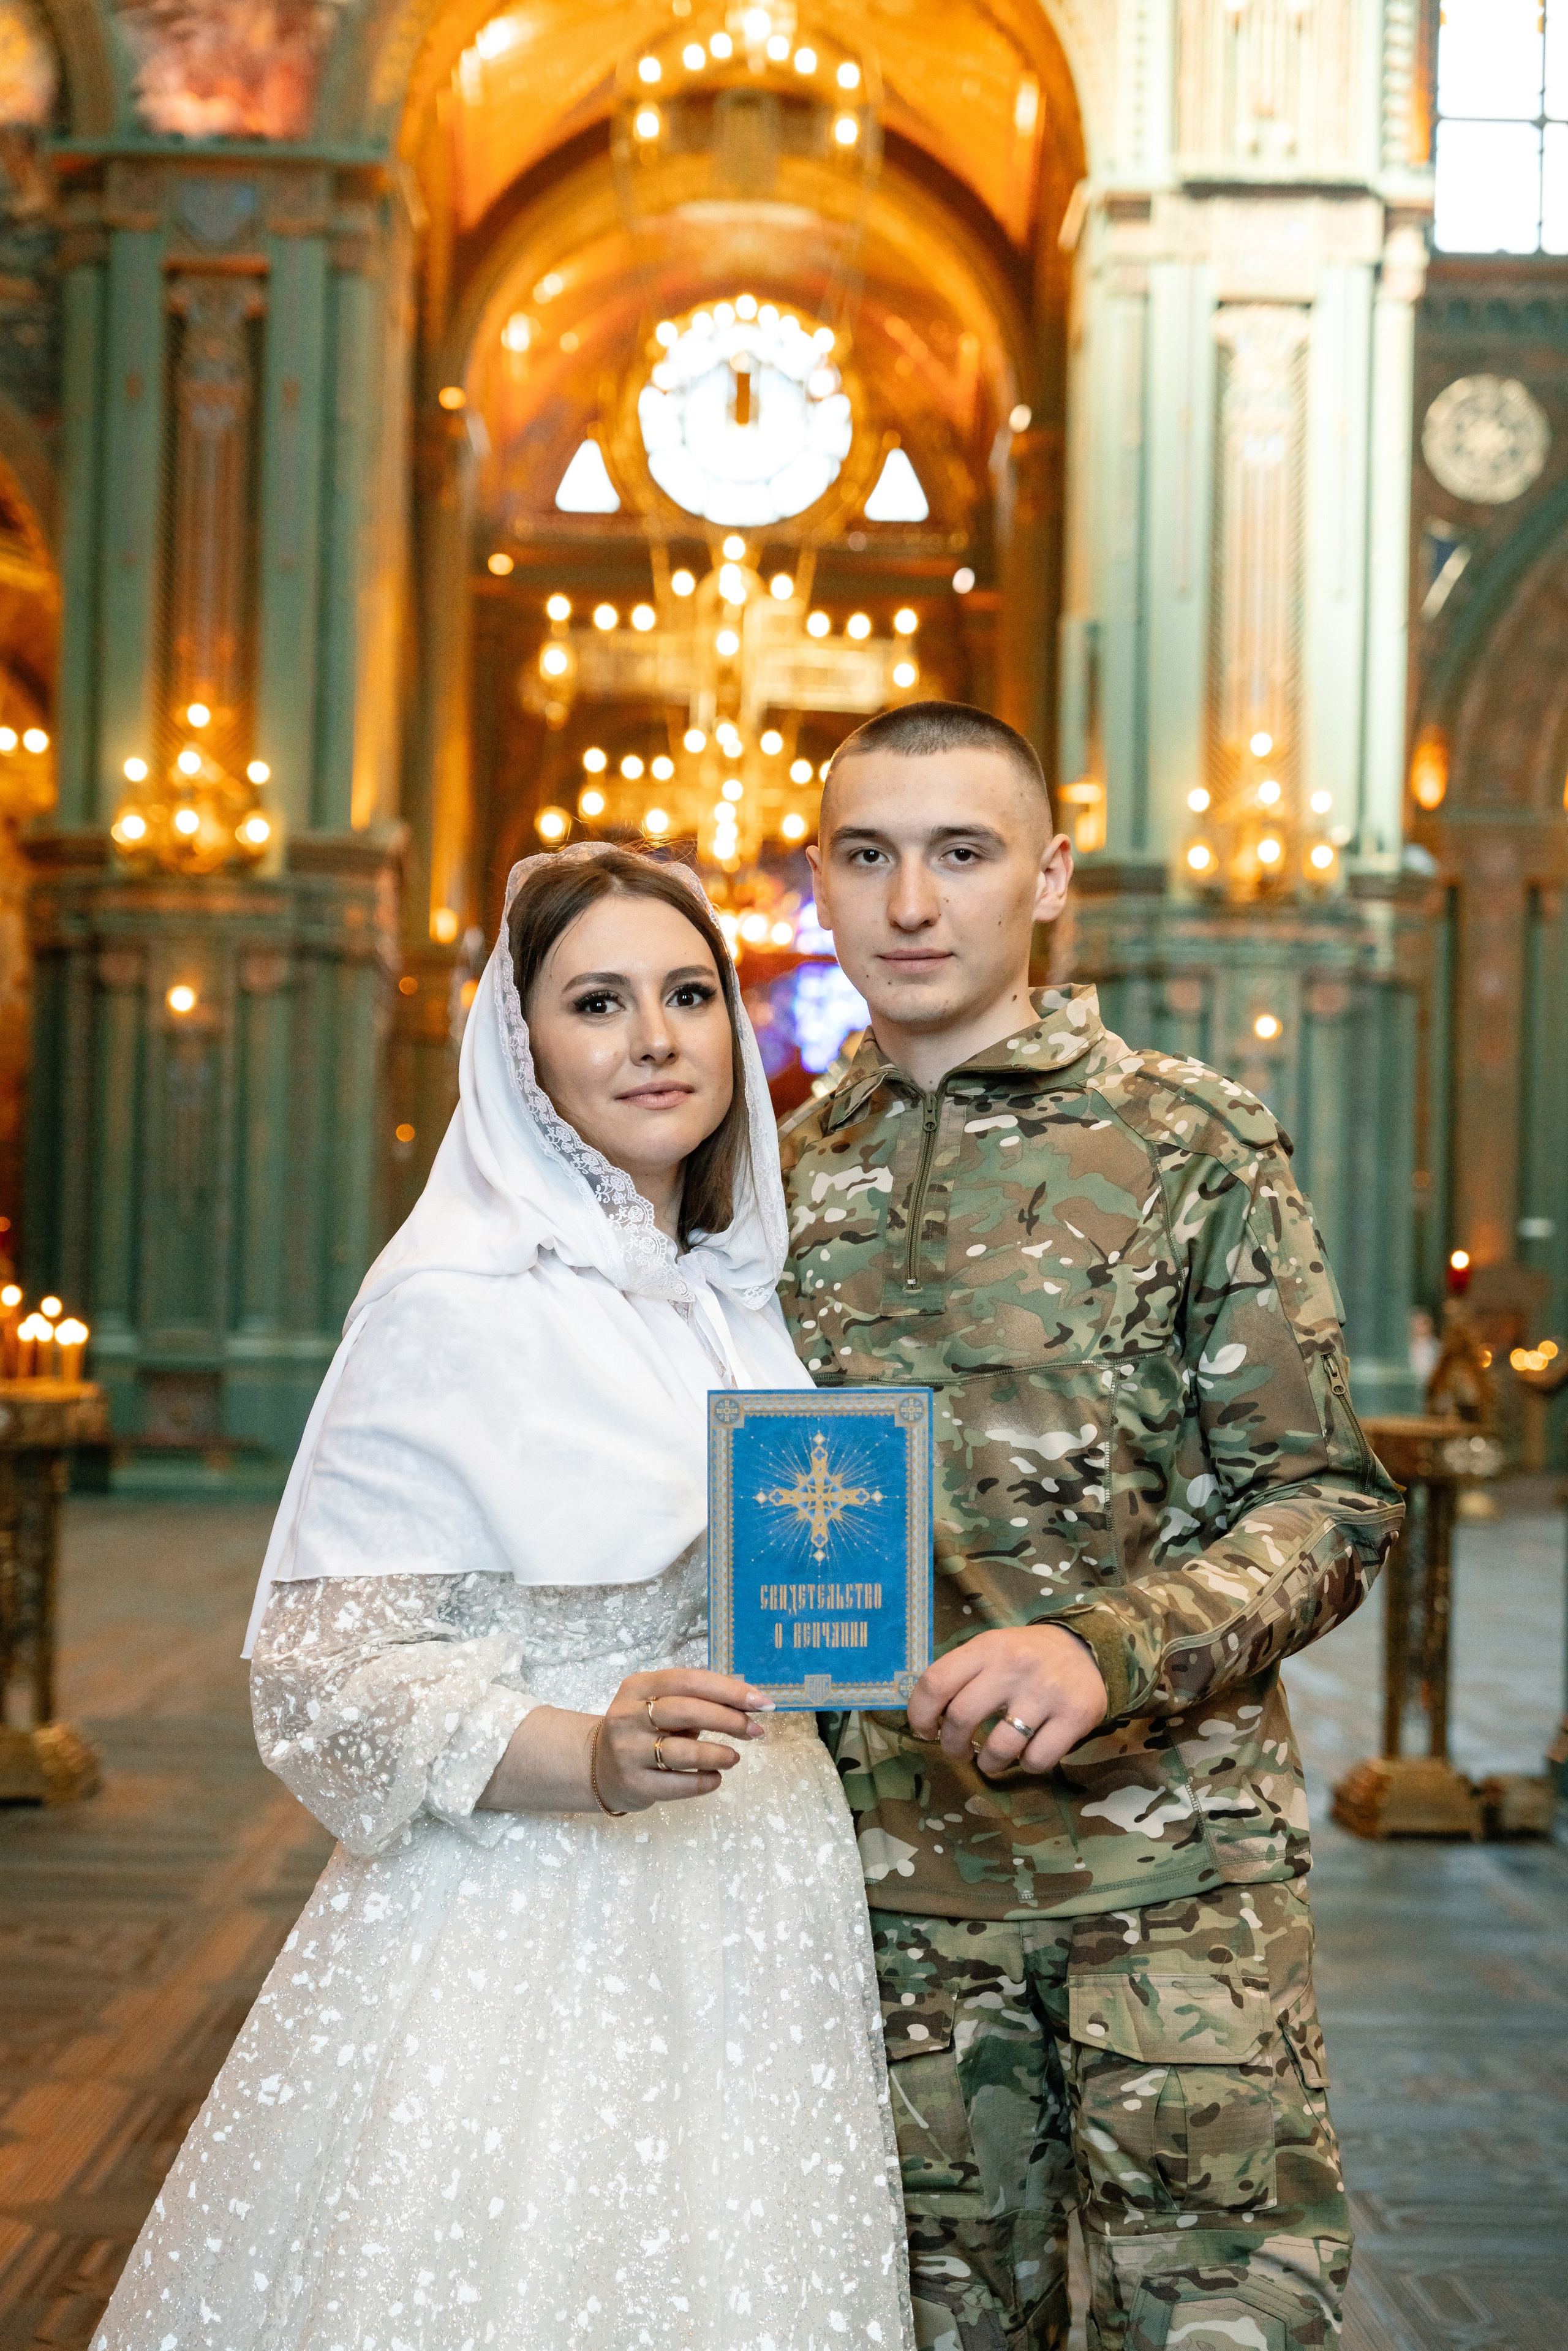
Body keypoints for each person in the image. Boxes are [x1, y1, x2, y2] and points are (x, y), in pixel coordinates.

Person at [96, 845, 914, 2351]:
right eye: (595, 1000)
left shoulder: (734, 1290)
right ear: (519, 1043)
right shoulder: (451, 1297)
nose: (654, 1038)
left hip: (755, 1874)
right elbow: (322, 1680)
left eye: (687, 993)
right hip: (530, 1907)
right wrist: (587, 1749)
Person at [777, 704, 1404, 2351]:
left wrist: (1104, 1645)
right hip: (884, 1900)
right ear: (820, 886)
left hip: (1171, 1886)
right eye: (868, 854)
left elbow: (1325, 1498)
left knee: (1216, 2324)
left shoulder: (1193, 1138)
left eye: (962, 852)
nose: (912, 899)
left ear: (1048, 877)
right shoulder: (768, 1182)